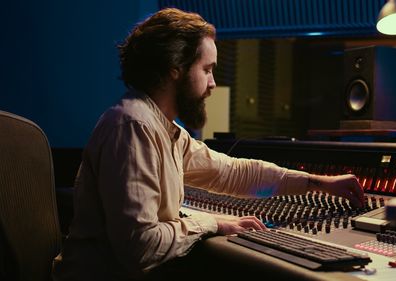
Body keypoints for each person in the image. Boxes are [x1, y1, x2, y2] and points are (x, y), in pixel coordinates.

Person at [52, 7, 364, 281]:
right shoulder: (133, 127)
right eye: (207, 69)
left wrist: (319, 182)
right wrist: (213, 222)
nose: (213, 83)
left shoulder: (163, 128)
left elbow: (233, 172)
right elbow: (141, 247)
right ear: (175, 68)